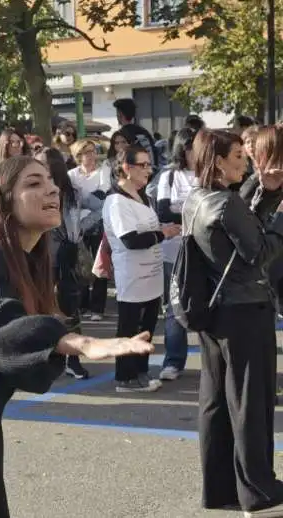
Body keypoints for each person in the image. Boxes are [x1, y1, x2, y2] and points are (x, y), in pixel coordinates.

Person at [0, 156, 154, 518]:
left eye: (50, 181)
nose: (51, 189)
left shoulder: (24, 259)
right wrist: (77, 342)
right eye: (33, 183)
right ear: (1, 200)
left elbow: (8, 353)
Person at [186, 128, 283, 517]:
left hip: (214, 312)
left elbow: (242, 225)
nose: (247, 163)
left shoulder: (198, 199)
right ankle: (260, 493)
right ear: (219, 160)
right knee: (250, 403)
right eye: (239, 157)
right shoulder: (226, 204)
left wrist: (270, 192)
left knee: (216, 403)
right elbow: (260, 251)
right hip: (244, 311)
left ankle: (221, 488)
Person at [103, 146, 173, 392]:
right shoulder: (116, 201)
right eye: (142, 165)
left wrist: (162, 232)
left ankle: (141, 372)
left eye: (149, 164)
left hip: (151, 275)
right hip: (132, 275)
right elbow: (131, 241)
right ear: (126, 168)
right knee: (130, 327)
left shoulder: (143, 196)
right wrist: (162, 234)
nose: (148, 170)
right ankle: (125, 377)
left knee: (147, 326)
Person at [37, 147, 103, 380]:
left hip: (66, 254)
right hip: (43, 254)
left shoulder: (72, 192)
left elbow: (101, 208)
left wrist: (81, 229)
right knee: (44, 306)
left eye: (43, 166)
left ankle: (71, 360)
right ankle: (50, 358)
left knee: (69, 308)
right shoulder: (37, 193)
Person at [155, 128, 197, 381]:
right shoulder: (169, 176)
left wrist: (179, 208)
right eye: (193, 146)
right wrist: (195, 210)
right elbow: (163, 212)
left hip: (205, 248)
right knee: (174, 307)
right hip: (174, 250)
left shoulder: (210, 173)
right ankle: (173, 361)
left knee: (210, 304)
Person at [68, 139, 110, 322]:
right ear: (79, 155)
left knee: (100, 266)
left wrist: (82, 198)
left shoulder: (104, 171)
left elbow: (102, 196)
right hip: (78, 226)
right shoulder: (71, 174)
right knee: (81, 265)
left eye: (94, 151)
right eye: (87, 152)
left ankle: (97, 308)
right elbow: (71, 199)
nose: (91, 155)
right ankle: (82, 304)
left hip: (99, 224)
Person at [113, 98, 158, 171]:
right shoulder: (144, 132)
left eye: (117, 113)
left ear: (120, 114)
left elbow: (118, 161)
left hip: (132, 176)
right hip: (149, 173)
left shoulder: (120, 135)